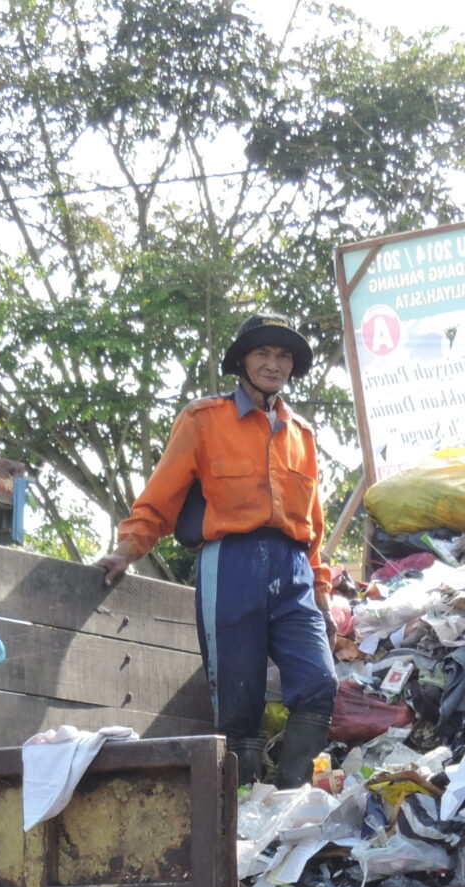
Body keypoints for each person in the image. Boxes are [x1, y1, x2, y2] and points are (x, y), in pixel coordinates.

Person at [102, 314, 335, 789]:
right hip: (230, 565)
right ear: (243, 362)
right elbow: (160, 496)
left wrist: (323, 591)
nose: (274, 364)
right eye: (263, 353)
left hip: (293, 571)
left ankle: (290, 798)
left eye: (284, 356)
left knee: (319, 683)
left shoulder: (303, 436)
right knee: (238, 703)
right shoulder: (203, 419)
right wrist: (127, 549)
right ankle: (245, 811)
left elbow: (313, 527)